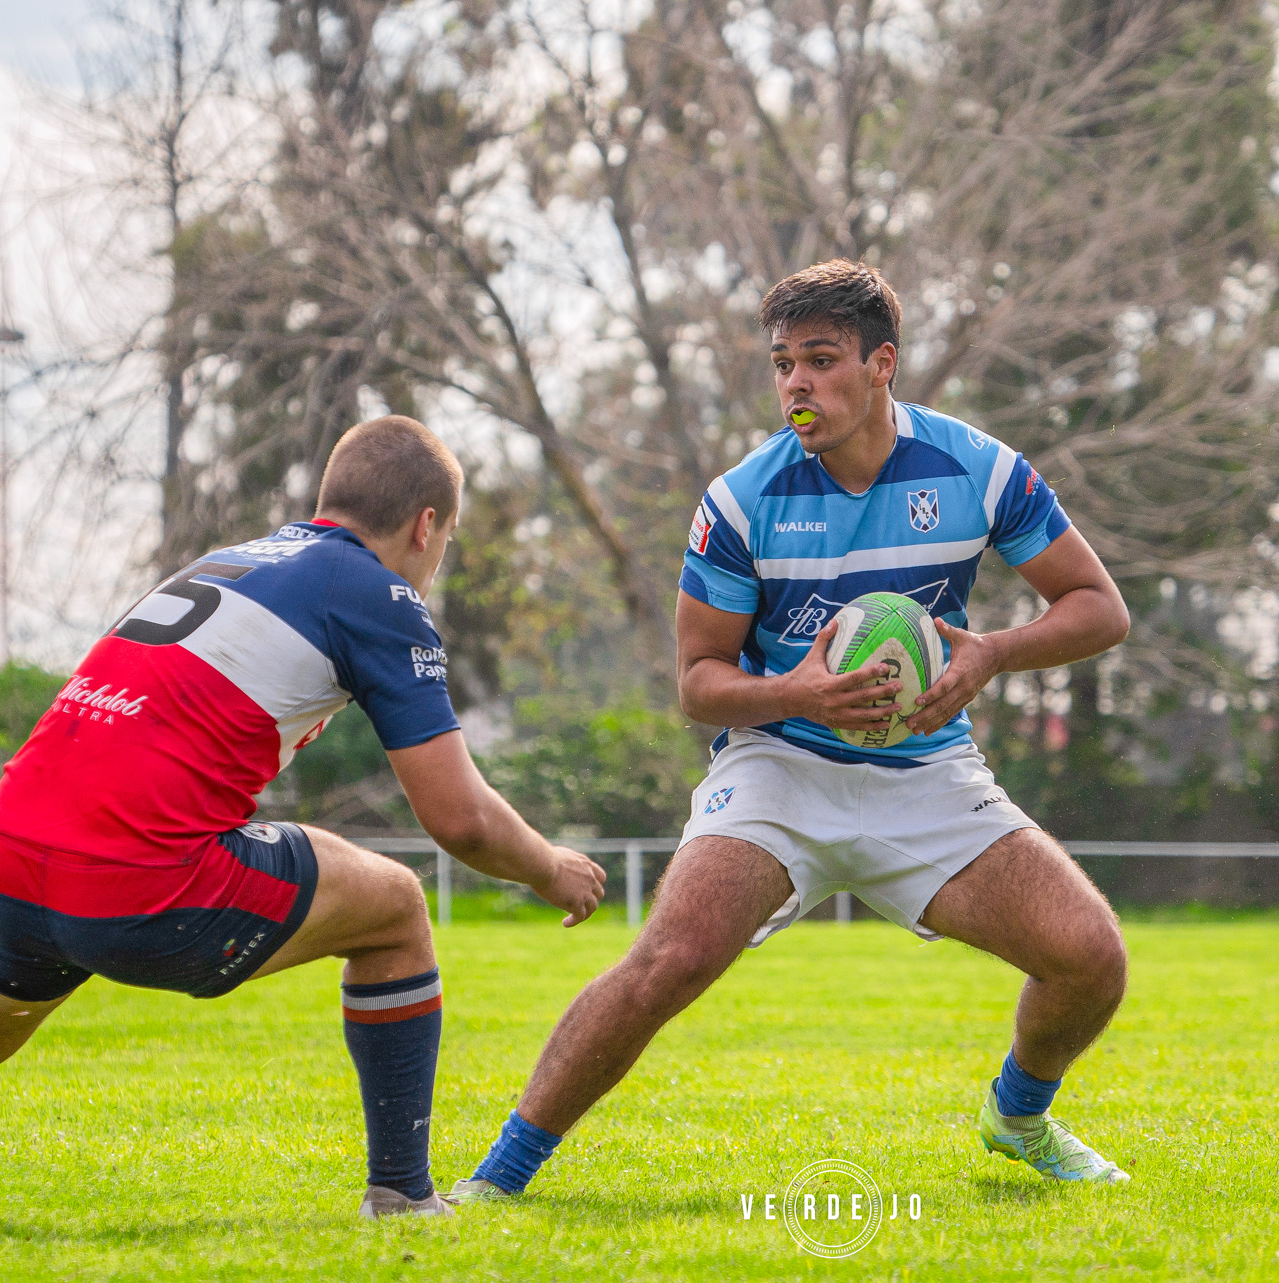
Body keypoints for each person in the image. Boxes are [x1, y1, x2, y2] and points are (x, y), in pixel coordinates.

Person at [452, 260, 1132, 1202]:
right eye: (782, 364)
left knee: (1091, 957)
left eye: (820, 359)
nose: (797, 385)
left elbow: (1100, 608)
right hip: (780, 766)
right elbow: (698, 682)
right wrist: (798, 695)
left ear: (881, 363)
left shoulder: (978, 469)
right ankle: (495, 1181)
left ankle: (1018, 1118)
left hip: (926, 771)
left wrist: (990, 654)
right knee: (667, 960)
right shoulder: (740, 501)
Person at [0, 415, 607, 1218]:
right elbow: (459, 818)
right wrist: (548, 865)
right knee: (393, 908)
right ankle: (403, 1194)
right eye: (447, 542)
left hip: (10, 853)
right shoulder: (377, 592)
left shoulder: (233, 559)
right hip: (135, 879)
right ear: (427, 526)